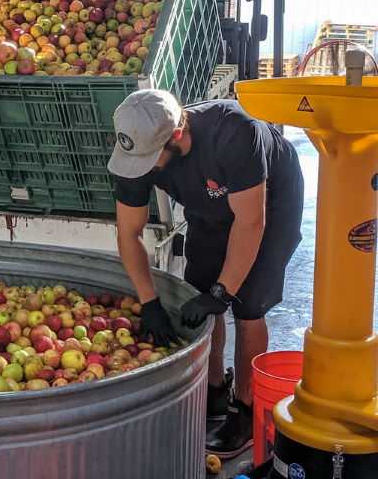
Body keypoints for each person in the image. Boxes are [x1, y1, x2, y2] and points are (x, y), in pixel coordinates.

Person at [109, 88, 304, 459]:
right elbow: (128, 232)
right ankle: (214, 390)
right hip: (208, 205)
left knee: (247, 304)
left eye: (153, 160)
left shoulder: (233, 132)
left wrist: (223, 292)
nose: (145, 169)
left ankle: (246, 409)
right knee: (196, 291)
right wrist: (149, 300)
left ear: (177, 134)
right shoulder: (137, 150)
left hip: (269, 203)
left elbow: (251, 221)